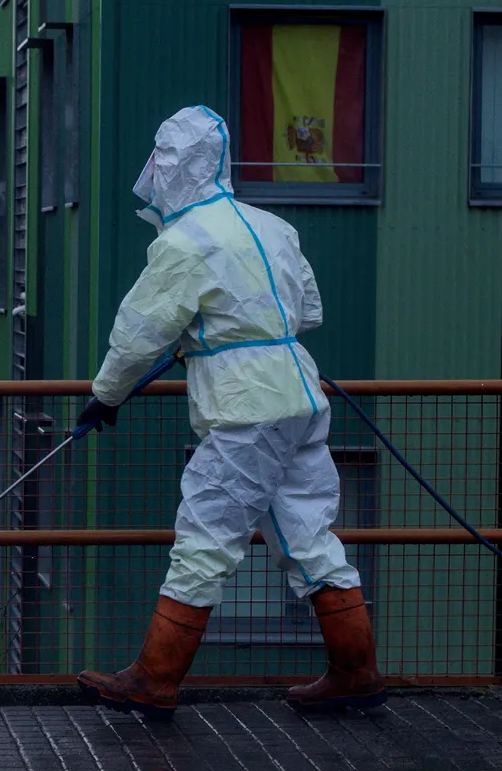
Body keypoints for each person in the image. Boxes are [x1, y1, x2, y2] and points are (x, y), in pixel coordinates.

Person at [73, 105, 384, 718]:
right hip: (299, 393)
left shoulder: (184, 242)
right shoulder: (273, 227)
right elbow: (310, 310)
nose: (154, 170)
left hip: (245, 408)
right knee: (309, 536)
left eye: (161, 158)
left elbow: (139, 333)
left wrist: (105, 396)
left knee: (207, 536)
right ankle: (357, 673)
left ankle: (155, 679)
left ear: (175, 164)